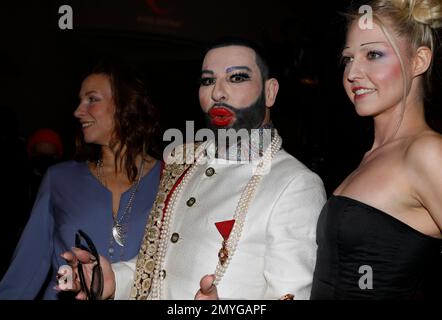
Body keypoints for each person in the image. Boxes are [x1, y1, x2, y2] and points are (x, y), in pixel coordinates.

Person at [59, 38, 327, 300]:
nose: (217, 92)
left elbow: (289, 294)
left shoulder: (295, 184)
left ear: (270, 92)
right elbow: (158, 265)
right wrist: (114, 280)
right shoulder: (183, 160)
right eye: (208, 80)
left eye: (236, 78)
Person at [0, 60, 162, 299]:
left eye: (92, 99)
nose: (78, 111)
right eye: (80, 100)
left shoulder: (170, 179)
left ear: (126, 104)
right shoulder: (60, 179)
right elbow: (25, 271)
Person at [311, 0, 442, 299]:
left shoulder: (427, 153)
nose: (353, 72)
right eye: (348, 59)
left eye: (373, 54)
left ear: (418, 61)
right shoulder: (369, 157)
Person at [27, 128, 64, 206]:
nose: (45, 160)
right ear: (32, 154)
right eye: (40, 155)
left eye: (50, 156)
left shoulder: (64, 183)